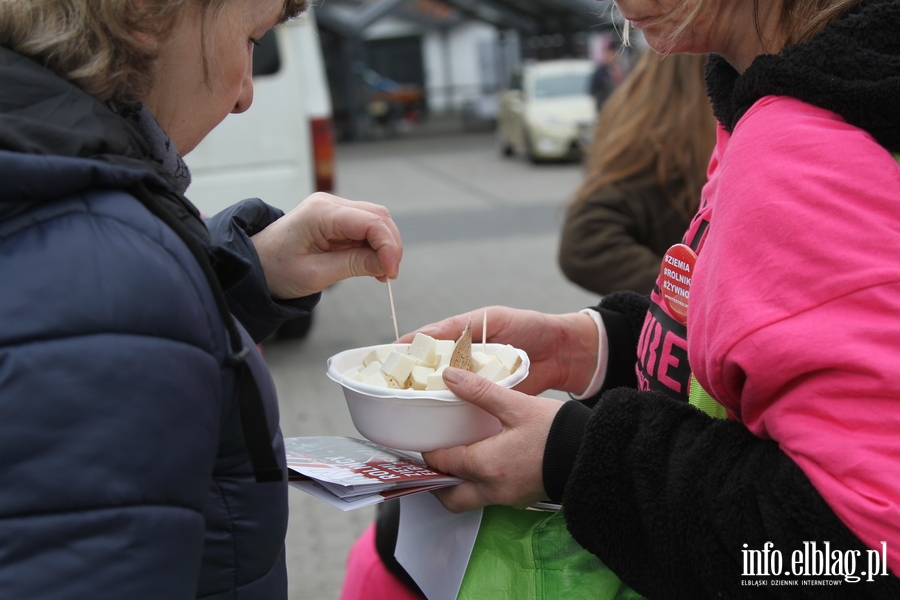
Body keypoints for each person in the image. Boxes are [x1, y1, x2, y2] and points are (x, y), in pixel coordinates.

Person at [401, 0, 900, 598]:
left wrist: (575, 457)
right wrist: (592, 348)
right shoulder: (782, 97)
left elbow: (858, 560)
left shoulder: (804, 142)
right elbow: (759, 374)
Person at [0, 1, 402, 599]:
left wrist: (244, 269)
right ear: (145, 11)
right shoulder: (108, 277)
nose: (245, 95)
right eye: (251, 40)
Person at [559, 50, 717, 296]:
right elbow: (584, 243)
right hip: (693, 327)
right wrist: (689, 295)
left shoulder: (645, 111)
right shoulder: (665, 137)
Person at [588, 38, 625, 111]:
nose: (613, 57)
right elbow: (593, 90)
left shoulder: (620, 70)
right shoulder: (600, 72)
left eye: (615, 54)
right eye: (611, 54)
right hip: (606, 106)